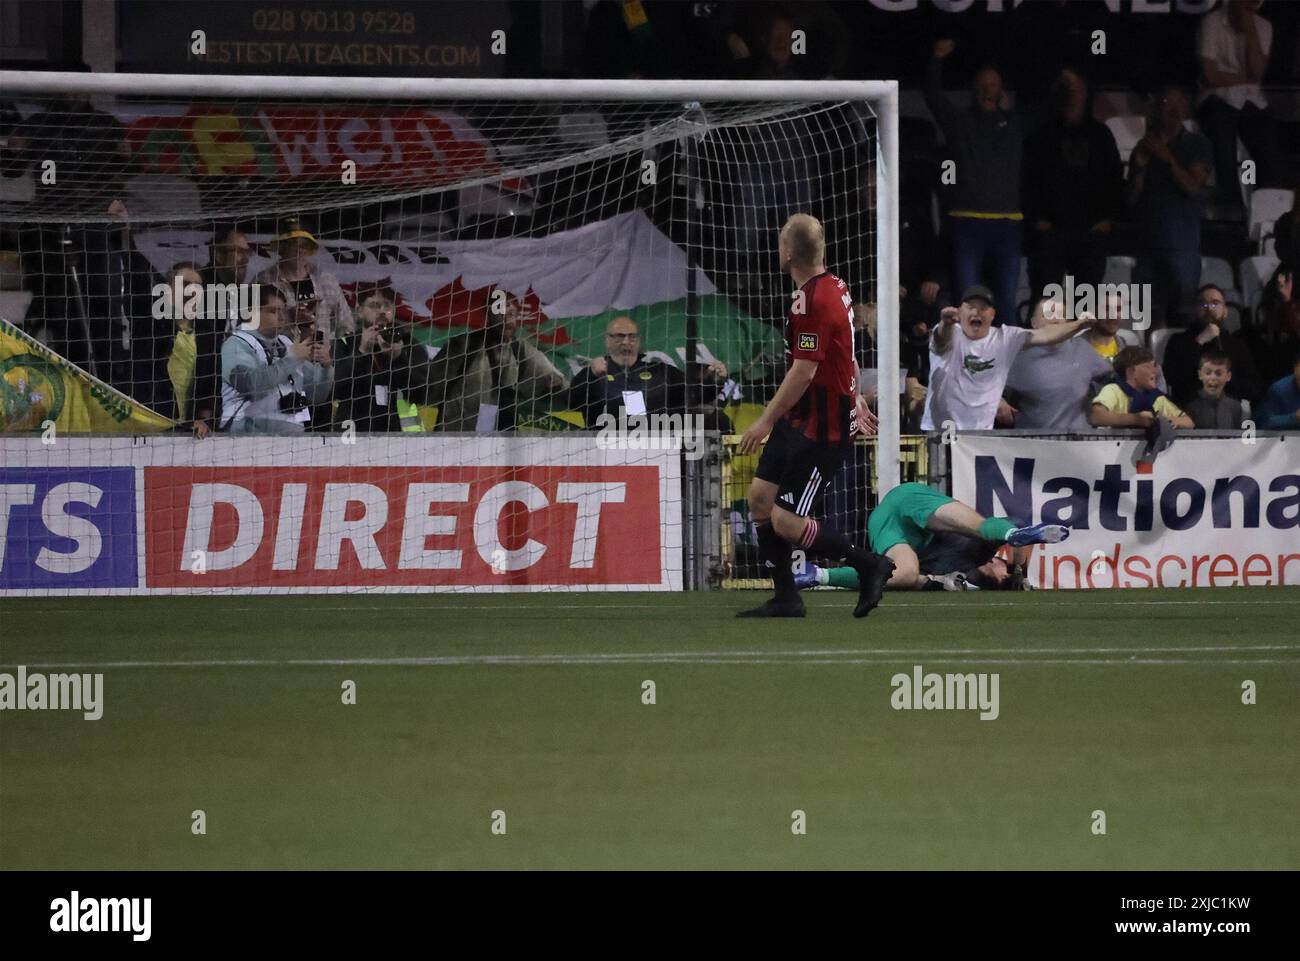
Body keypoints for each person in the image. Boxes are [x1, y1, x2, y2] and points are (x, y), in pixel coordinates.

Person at [735, 213, 893, 619]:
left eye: (779, 243)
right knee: (759, 500)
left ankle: (868, 563)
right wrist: (856, 392)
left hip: (823, 427)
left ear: (788, 252)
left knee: (787, 521)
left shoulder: (812, 300)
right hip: (802, 418)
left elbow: (804, 370)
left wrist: (765, 419)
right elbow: (846, 353)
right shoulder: (836, 285)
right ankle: (786, 597)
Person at [795, 483, 1067, 593]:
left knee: (904, 575)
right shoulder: (984, 551)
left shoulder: (966, 576)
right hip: (913, 502)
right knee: (989, 527)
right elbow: (1020, 525)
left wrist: (934, 582)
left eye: (1002, 575)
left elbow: (918, 578)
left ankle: (818, 575)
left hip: (896, 528)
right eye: (1004, 568)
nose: (1000, 568)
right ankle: (1012, 536)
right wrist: (1021, 573)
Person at [926, 38, 1026, 325]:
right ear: (973, 90)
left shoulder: (1015, 124)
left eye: (993, 85)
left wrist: (1063, 79)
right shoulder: (959, 121)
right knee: (968, 301)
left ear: (1002, 91)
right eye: (982, 85)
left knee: (1006, 302)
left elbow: (1050, 105)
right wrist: (936, 59)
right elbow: (932, 95)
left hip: (1007, 225)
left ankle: (1006, 367)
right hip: (967, 223)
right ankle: (968, 364)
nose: (987, 91)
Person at [921, 285, 1094, 432]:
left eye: (983, 308)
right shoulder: (950, 332)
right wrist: (945, 323)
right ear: (959, 311)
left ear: (992, 315)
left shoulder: (1006, 338)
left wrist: (1078, 324)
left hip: (980, 436)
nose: (976, 312)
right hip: (940, 430)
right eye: (970, 306)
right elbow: (941, 339)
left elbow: (1046, 334)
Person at [1022, 68, 1124, 295]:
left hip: (1091, 233)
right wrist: (1036, 219)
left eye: (1076, 89)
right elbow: (1028, 181)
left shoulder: (1101, 135)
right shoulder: (1041, 135)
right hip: (1050, 233)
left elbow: (1114, 180)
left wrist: (1107, 220)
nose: (1071, 96)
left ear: (1087, 93)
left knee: (1086, 309)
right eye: (1065, 89)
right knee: (1045, 304)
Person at [1125, 86, 1213, 328]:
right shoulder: (1145, 145)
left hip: (1182, 246)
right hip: (1148, 245)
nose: (1173, 110)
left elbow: (1193, 186)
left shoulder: (1197, 144)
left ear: (1185, 108)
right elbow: (1131, 198)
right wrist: (1140, 167)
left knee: (1183, 318)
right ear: (1158, 109)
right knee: (1150, 320)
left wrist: (1167, 159)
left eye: (1178, 103)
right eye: (1167, 103)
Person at [1196, 0, 1288, 206]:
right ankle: (1230, 206)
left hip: (1252, 101)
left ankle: (1270, 209)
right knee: (1223, 141)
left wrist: (1250, 32)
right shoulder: (1212, 22)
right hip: (1216, 99)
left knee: (1269, 154)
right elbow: (1210, 75)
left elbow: (1257, 72)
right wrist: (1243, 78)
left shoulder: (1264, 26)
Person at [435, 292, 568, 432]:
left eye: (510, 314)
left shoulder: (520, 350)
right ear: (489, 315)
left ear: (517, 316)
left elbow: (558, 381)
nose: (505, 320)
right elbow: (430, 384)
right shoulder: (465, 345)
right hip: (455, 436)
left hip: (493, 440)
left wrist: (556, 382)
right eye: (500, 313)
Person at [567, 314, 728, 429]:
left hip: (656, 451)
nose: (626, 342)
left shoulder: (660, 371)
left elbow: (694, 396)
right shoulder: (594, 372)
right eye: (619, 336)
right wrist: (591, 374)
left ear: (638, 341)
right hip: (603, 449)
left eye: (632, 337)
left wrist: (714, 381)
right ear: (607, 340)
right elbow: (572, 402)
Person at [219, 285, 333, 434]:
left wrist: (325, 368)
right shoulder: (235, 344)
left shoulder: (286, 343)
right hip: (245, 438)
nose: (282, 317)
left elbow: (317, 396)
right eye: (273, 311)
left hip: (292, 438)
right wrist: (293, 359)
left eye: (283, 310)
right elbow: (252, 385)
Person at [331, 281, 437, 433]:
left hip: (394, 429)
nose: (381, 311)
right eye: (374, 305)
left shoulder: (408, 343)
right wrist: (362, 351)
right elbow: (335, 389)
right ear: (360, 310)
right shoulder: (346, 343)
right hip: (350, 428)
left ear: (394, 310)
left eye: (387, 305)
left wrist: (398, 358)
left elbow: (424, 394)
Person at [1003, 299, 1113, 430]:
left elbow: (1114, 380)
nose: (1054, 319)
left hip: (1079, 441)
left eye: (1060, 315)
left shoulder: (1082, 349)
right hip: (1032, 442)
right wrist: (999, 401)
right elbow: (989, 386)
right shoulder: (1017, 355)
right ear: (1034, 322)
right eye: (1048, 314)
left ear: (1067, 323)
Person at [253, 217, 353, 341]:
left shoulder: (326, 279)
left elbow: (346, 325)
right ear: (281, 248)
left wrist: (333, 352)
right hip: (282, 357)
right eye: (293, 244)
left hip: (321, 356)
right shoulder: (264, 280)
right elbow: (255, 328)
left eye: (304, 245)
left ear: (309, 249)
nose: (299, 250)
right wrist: (290, 321)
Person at [1161, 284, 1263, 406]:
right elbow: (1173, 378)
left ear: (1225, 311)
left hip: (1228, 411)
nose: (1209, 308)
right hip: (1190, 410)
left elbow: (1254, 388)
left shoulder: (1236, 345)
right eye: (1203, 304)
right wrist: (1199, 342)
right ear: (1194, 310)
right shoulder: (1178, 341)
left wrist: (1227, 379)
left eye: (1215, 303)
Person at [1089, 345, 1194, 429]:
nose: (1155, 371)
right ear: (1131, 372)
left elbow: (1189, 422)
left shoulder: (1156, 397)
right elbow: (1097, 416)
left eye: (1154, 366)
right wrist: (1136, 419)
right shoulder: (1113, 390)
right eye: (1148, 367)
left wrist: (1170, 421)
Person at [1184, 350, 1245, 429]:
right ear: (1200, 375)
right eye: (1208, 373)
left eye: (1218, 373)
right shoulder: (1191, 406)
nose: (1213, 377)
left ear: (1228, 376)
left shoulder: (1235, 407)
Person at [1254, 348, 1300, 431]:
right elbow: (1264, 422)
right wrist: (1294, 417)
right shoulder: (1278, 389)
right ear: (1295, 368)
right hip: (1286, 440)